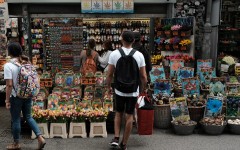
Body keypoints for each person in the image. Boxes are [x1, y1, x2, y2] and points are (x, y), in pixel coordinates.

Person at [107, 31, 148, 150]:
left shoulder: (114, 54)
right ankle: (124, 143)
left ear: (121, 39)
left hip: (119, 89)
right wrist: (143, 88)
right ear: (133, 41)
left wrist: (108, 86)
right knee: (129, 116)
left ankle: (115, 137)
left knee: (118, 113)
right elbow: (143, 76)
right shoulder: (139, 55)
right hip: (133, 90)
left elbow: (109, 74)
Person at [4, 42, 46, 150]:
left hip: (16, 96)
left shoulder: (8, 66)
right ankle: (40, 137)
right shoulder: (26, 62)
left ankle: (16, 144)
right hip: (28, 94)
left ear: (10, 52)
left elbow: (9, 85)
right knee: (28, 117)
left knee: (16, 119)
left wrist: (7, 100)